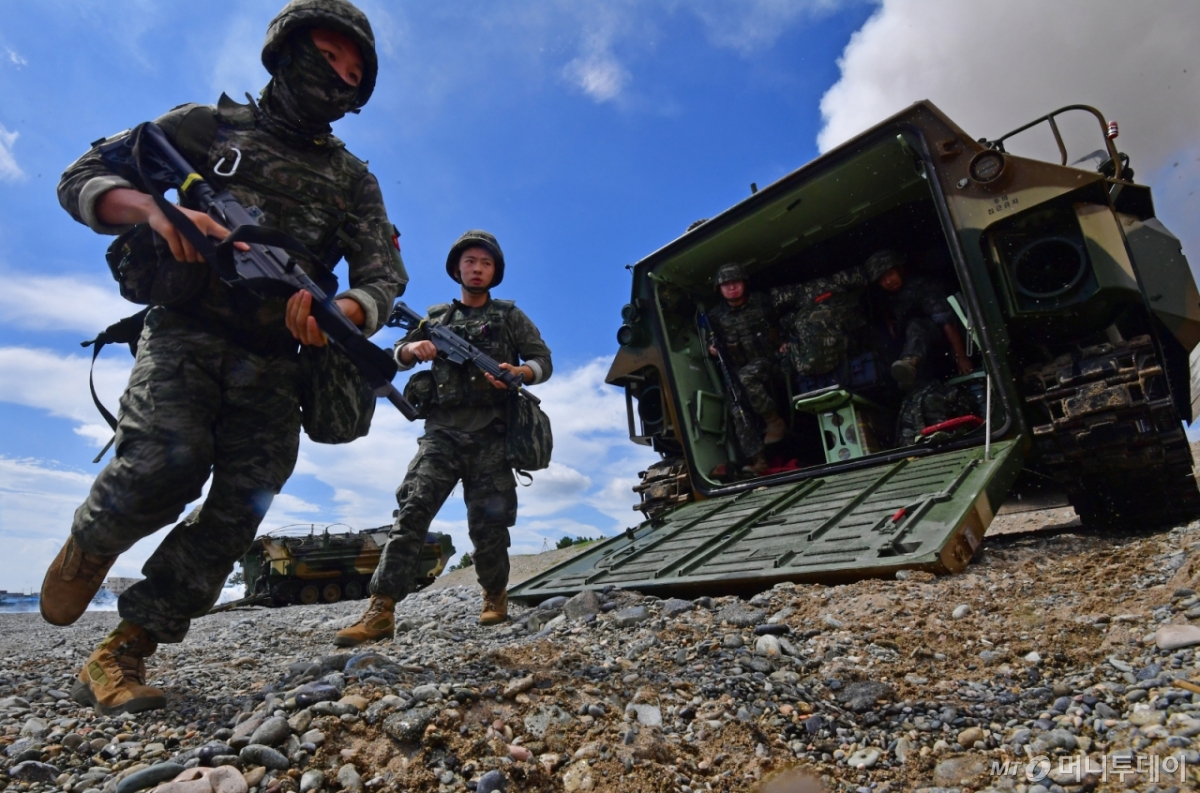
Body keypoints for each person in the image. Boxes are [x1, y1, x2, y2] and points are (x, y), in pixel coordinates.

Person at [40, 0, 406, 716]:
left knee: (241, 508)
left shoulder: (353, 180)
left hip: (277, 361)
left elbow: (382, 272)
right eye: (327, 58)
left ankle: (122, 651)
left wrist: (349, 311)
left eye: (353, 73)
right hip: (187, 330)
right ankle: (93, 539)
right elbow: (82, 175)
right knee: (165, 464)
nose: (337, 77)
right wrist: (156, 212)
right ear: (287, 51)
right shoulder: (203, 129)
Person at [334, 230, 552, 645]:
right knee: (412, 511)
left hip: (491, 434)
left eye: (486, 263)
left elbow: (543, 361)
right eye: (470, 262)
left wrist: (519, 373)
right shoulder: (434, 319)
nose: (477, 269)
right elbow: (392, 358)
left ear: (495, 272)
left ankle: (494, 595)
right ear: (457, 268)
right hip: (442, 433)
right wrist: (413, 350)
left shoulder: (510, 317)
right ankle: (381, 609)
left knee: (489, 524)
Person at [706, 263, 785, 476]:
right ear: (719, 289)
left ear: (744, 283)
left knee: (746, 378)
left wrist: (786, 341)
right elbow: (710, 344)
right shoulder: (716, 317)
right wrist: (712, 350)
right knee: (737, 409)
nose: (731, 288)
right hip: (740, 372)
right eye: (726, 284)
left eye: (736, 282)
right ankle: (759, 461)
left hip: (771, 364)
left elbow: (783, 321)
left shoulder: (762, 302)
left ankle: (773, 421)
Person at [867, 250, 973, 388]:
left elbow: (947, 321)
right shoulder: (887, 298)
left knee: (916, 325)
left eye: (890, 274)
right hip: (926, 353)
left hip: (949, 341)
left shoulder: (922, 287)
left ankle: (909, 362)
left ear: (900, 269)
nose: (887, 281)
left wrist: (961, 358)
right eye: (881, 279)